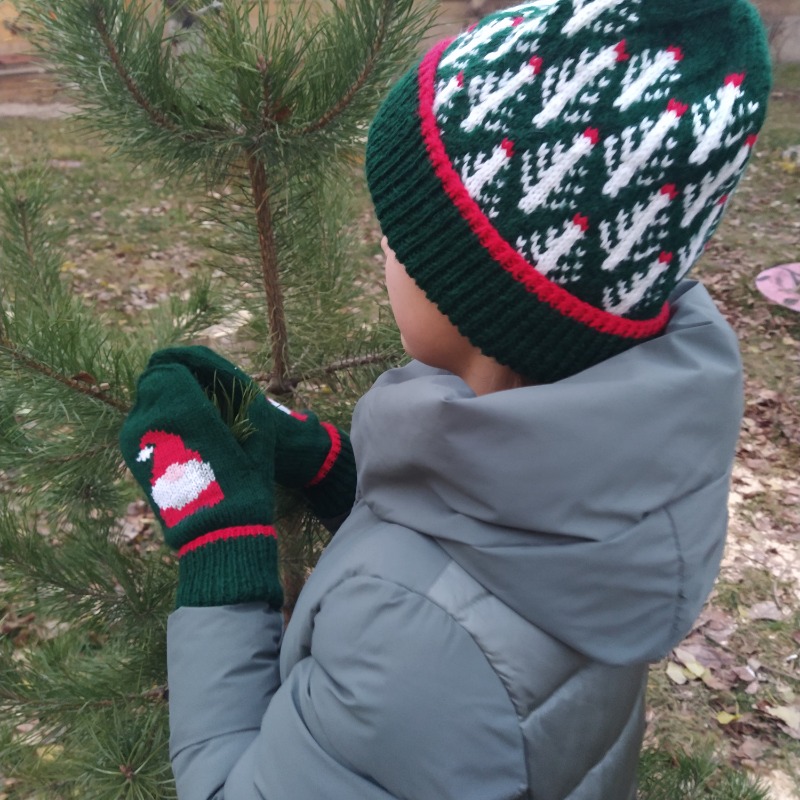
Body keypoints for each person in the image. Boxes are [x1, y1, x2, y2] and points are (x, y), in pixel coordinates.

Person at [119, 1, 772, 797]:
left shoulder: (415, 646)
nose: (381, 246)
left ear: (484, 297)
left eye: (400, 232)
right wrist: (333, 469)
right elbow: (499, 562)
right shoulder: (632, 474)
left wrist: (223, 548)